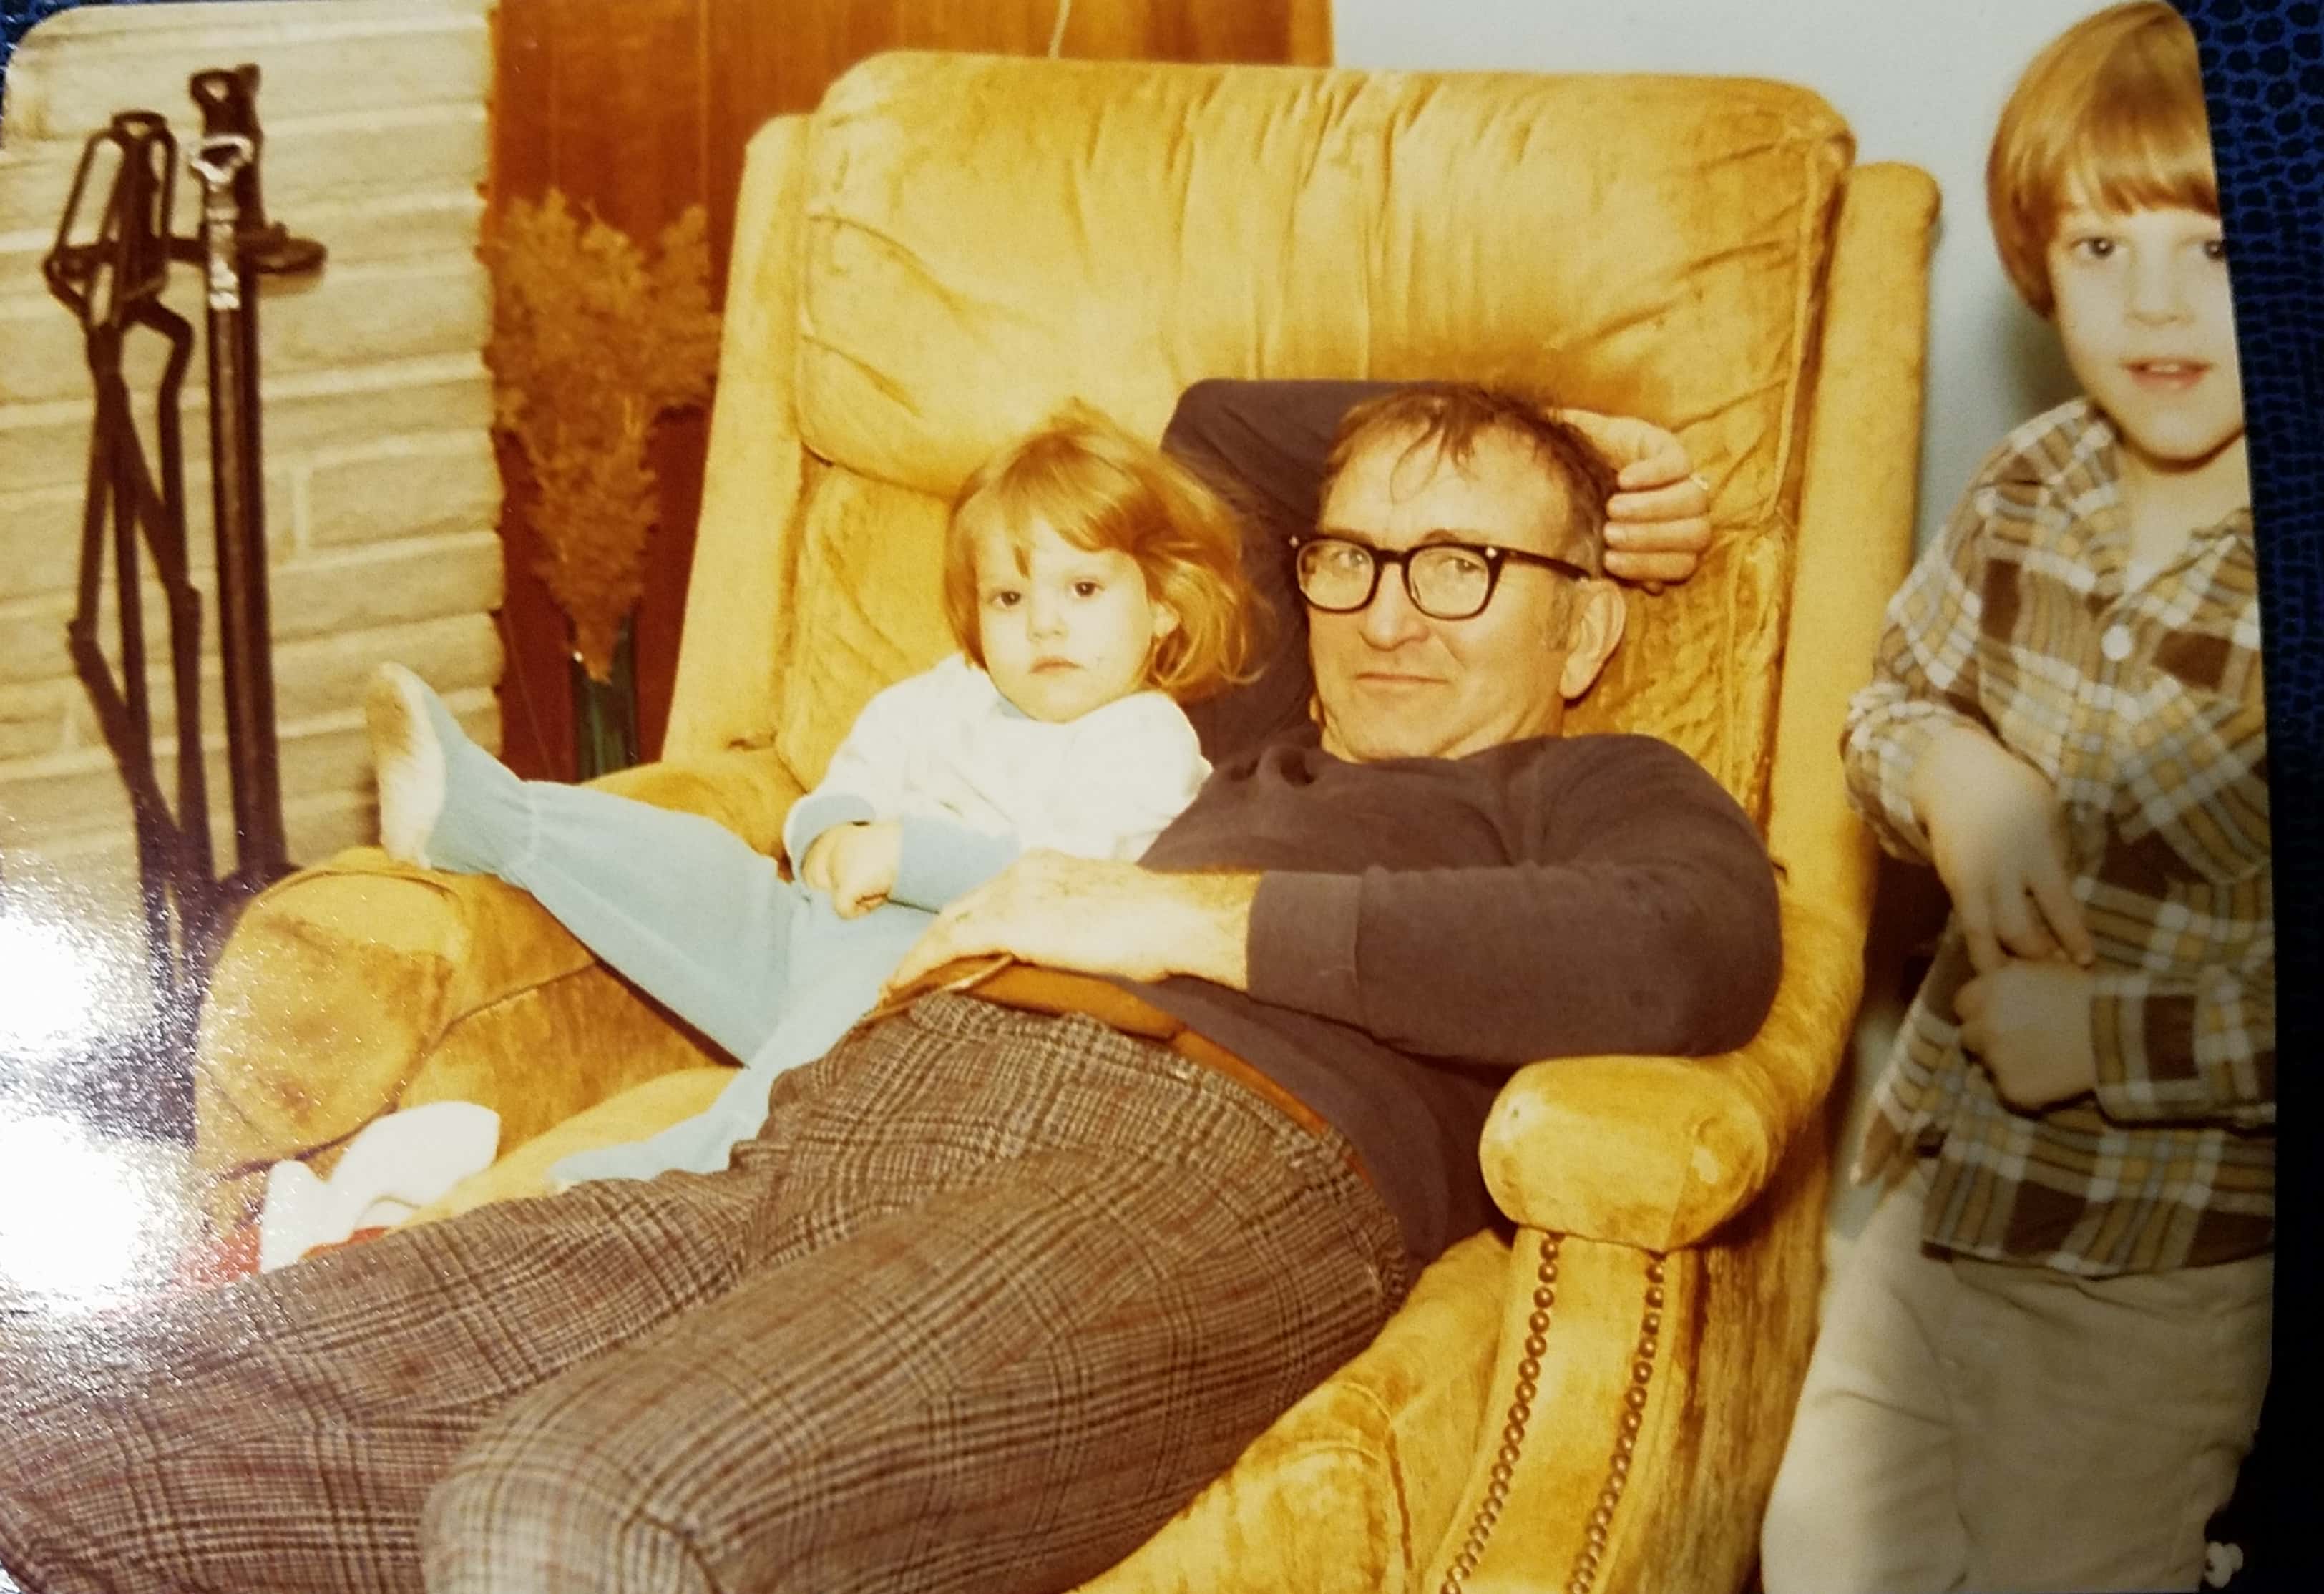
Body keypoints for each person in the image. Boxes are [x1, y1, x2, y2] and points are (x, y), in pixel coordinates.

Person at [0, 381, 1777, 1594]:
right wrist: (1541, 427)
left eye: (1468, 568)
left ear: (1588, 625)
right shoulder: (1240, 713)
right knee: (69, 1409)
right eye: (1354, 557)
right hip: (859, 1093)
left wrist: (1166, 916)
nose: (1390, 614)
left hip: (1204, 1160)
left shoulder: (1589, 786)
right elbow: (1221, 425)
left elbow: (1684, 951)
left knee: (568, 1506)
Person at [1757, 8, 2272, 1592]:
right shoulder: (2026, 483)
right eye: (2101, 245)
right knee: (1821, 1544)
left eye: (2217, 247)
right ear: (2038, 261)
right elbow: (1881, 709)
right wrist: (1946, 772)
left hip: (2153, 1268)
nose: (2154, 302)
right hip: (1935, 1198)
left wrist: (2110, 1041)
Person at [331, 407, 1251, 1211]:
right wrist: (830, 831)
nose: (1043, 623)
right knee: (688, 860)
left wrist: (905, 855)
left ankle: (667, 1180)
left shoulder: (1146, 740)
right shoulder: (951, 690)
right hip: (804, 934)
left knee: (793, 1077)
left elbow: (1071, 888)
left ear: (1164, 606)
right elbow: (852, 771)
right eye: (1008, 597)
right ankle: (488, 813)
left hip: (929, 983)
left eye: (1082, 589)